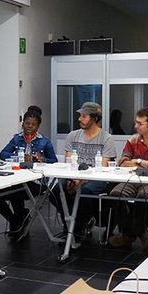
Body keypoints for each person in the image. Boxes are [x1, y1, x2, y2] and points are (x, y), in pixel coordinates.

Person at [108, 107, 148, 250]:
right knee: (115, 194)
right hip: (132, 178)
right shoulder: (133, 139)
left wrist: (137, 161)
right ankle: (131, 232)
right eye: (136, 122)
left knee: (144, 195)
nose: (136, 126)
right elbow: (123, 162)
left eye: (140, 123)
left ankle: (137, 230)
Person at [53, 102, 116, 239]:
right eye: (80, 115)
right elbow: (69, 162)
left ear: (95, 119)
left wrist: (80, 181)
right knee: (57, 190)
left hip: (96, 178)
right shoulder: (72, 136)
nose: (79, 119)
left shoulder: (106, 138)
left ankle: (79, 228)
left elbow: (103, 167)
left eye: (84, 116)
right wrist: (72, 179)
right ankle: (70, 224)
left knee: (85, 191)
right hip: (74, 176)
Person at [0, 107, 56, 237]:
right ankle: (15, 220)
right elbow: (3, 154)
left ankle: (19, 219)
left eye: (33, 124)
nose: (30, 126)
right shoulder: (17, 138)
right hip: (17, 178)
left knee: (17, 190)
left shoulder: (44, 141)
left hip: (37, 182)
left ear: (38, 127)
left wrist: (42, 159)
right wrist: (18, 157)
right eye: (27, 123)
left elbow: (54, 161)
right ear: (23, 124)